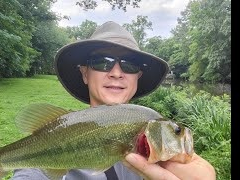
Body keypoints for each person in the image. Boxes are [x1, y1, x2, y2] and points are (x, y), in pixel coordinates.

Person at [11, 21, 215, 180]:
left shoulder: (160, 157)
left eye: (129, 65)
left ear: (138, 77)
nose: (116, 73)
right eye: (103, 62)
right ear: (84, 74)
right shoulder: (57, 131)